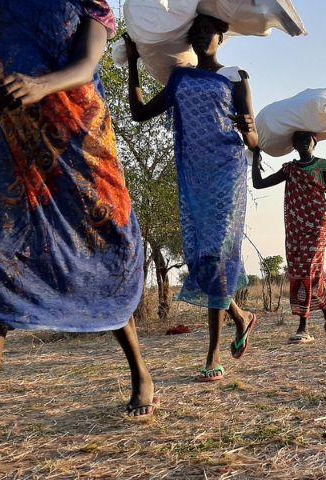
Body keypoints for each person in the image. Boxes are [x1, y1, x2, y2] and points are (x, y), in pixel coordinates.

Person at [0, 0, 154, 478]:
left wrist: (40, 85)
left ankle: (140, 370)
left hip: (81, 143)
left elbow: (85, 67)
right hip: (17, 144)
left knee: (103, 256)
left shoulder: (89, 6)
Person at [124, 15, 259, 382]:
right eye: (196, 32)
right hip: (194, 176)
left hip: (227, 171)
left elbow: (254, 142)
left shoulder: (235, 77)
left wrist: (249, 131)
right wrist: (134, 62)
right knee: (200, 258)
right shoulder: (180, 78)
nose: (202, 37)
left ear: (221, 36)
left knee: (215, 254)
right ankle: (240, 316)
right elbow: (138, 114)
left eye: (208, 32)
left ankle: (213, 354)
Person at [252, 132, 326, 343]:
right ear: (293, 145)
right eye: (298, 139)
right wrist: (256, 156)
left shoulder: (323, 165)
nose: (303, 142)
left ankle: (303, 327)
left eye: (307, 138)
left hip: (316, 225)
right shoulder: (289, 168)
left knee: (307, 270)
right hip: (295, 228)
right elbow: (259, 184)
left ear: (315, 142)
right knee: (300, 273)